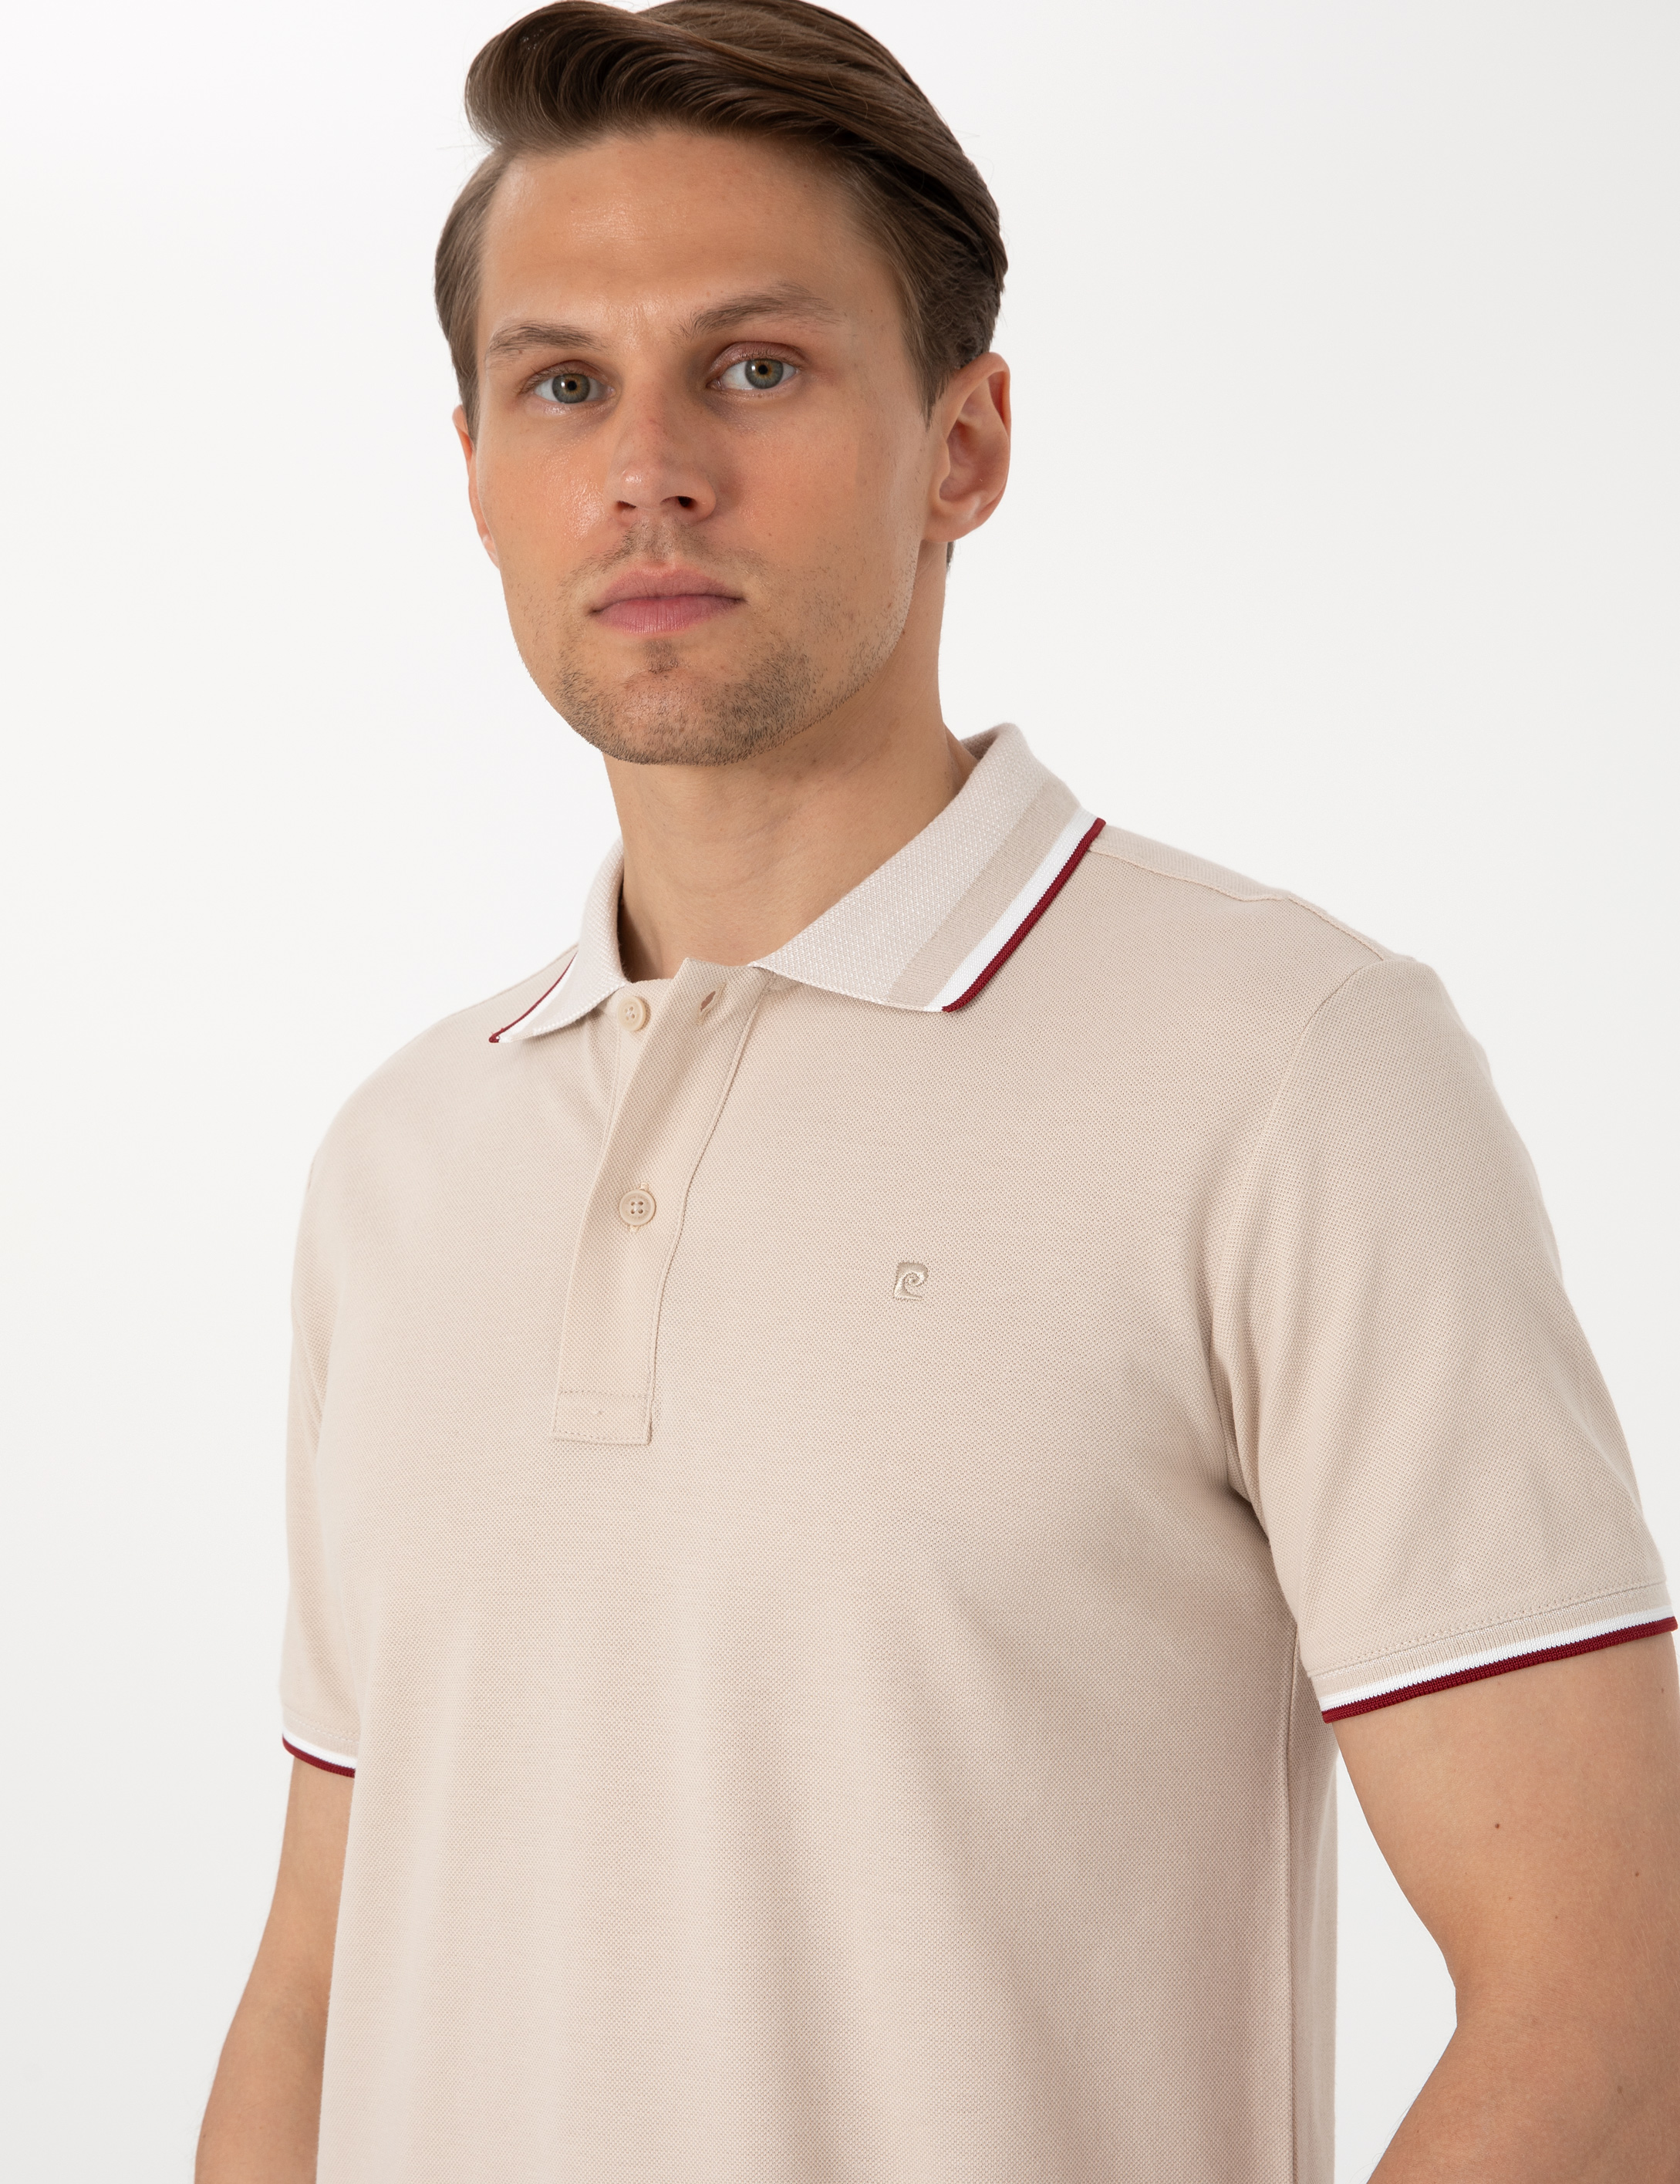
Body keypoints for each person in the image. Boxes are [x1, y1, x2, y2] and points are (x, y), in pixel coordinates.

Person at [196, 4, 1680, 2178]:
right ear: (479, 472)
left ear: (964, 445)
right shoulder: (401, 1158)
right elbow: (321, 1974)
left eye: (755, 369)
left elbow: (1610, 2008)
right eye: (564, 384)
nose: (648, 470)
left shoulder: (1289, 1069)